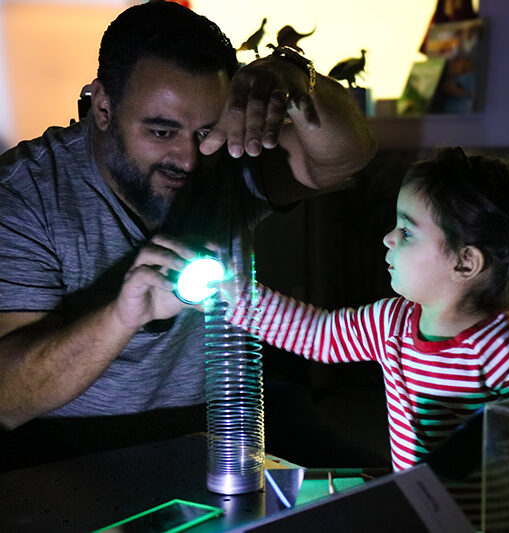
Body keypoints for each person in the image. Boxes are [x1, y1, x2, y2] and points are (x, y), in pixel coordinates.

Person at [0, 0, 376, 461]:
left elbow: (349, 153)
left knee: (386, 496)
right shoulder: (24, 195)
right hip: (73, 447)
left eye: (204, 132)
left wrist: (296, 76)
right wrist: (122, 316)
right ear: (102, 106)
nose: (189, 159)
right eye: (161, 132)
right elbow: (7, 400)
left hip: (228, 422)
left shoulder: (226, 158)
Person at [226, 147, 509, 472]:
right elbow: (318, 335)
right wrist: (230, 294)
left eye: (407, 231)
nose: (388, 238)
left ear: (465, 261)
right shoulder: (391, 323)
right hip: (416, 506)